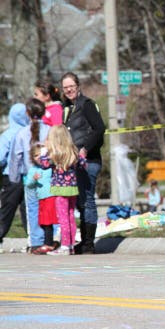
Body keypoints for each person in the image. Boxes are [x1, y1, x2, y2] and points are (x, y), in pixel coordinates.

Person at [61, 72, 106, 254]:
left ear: (78, 86)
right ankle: (84, 240)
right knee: (80, 202)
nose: (69, 90)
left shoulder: (86, 105)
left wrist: (85, 149)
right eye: (65, 88)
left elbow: (99, 128)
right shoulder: (68, 108)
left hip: (89, 161)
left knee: (87, 200)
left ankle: (89, 243)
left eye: (71, 86)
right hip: (74, 163)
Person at [8, 98, 50, 253]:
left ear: (28, 113)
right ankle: (51, 239)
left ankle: (36, 242)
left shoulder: (21, 134)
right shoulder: (50, 131)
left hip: (30, 177)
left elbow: (15, 158)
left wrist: (14, 178)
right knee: (49, 208)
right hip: (48, 175)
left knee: (32, 209)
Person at [38, 125, 86, 255]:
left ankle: (64, 246)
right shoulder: (73, 151)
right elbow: (83, 164)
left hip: (60, 190)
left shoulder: (54, 153)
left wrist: (43, 152)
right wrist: (82, 156)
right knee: (70, 217)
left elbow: (44, 165)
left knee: (63, 218)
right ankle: (70, 245)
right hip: (72, 188)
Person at [0, 103, 30, 252]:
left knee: (6, 210)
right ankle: (33, 239)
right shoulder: (30, 132)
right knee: (28, 210)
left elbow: (1, 157)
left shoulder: (8, 134)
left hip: (10, 178)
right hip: (29, 177)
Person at [26, 143, 57, 254]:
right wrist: (33, 179)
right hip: (41, 199)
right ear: (32, 158)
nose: (39, 158)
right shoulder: (33, 170)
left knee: (48, 222)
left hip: (51, 197)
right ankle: (47, 242)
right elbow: (28, 184)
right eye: (35, 155)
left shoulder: (50, 168)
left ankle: (49, 243)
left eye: (41, 155)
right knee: (43, 222)